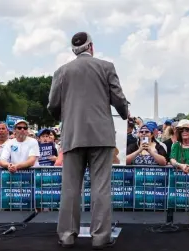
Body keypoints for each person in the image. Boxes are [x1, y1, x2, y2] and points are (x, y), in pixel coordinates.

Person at [47, 31, 128, 249]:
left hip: (72, 135)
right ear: (91, 47)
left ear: (74, 50)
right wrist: (125, 113)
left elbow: (53, 105)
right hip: (101, 136)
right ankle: (101, 237)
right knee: (100, 187)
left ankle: (66, 236)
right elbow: (118, 99)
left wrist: (66, 117)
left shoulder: (61, 71)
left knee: (70, 188)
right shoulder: (106, 67)